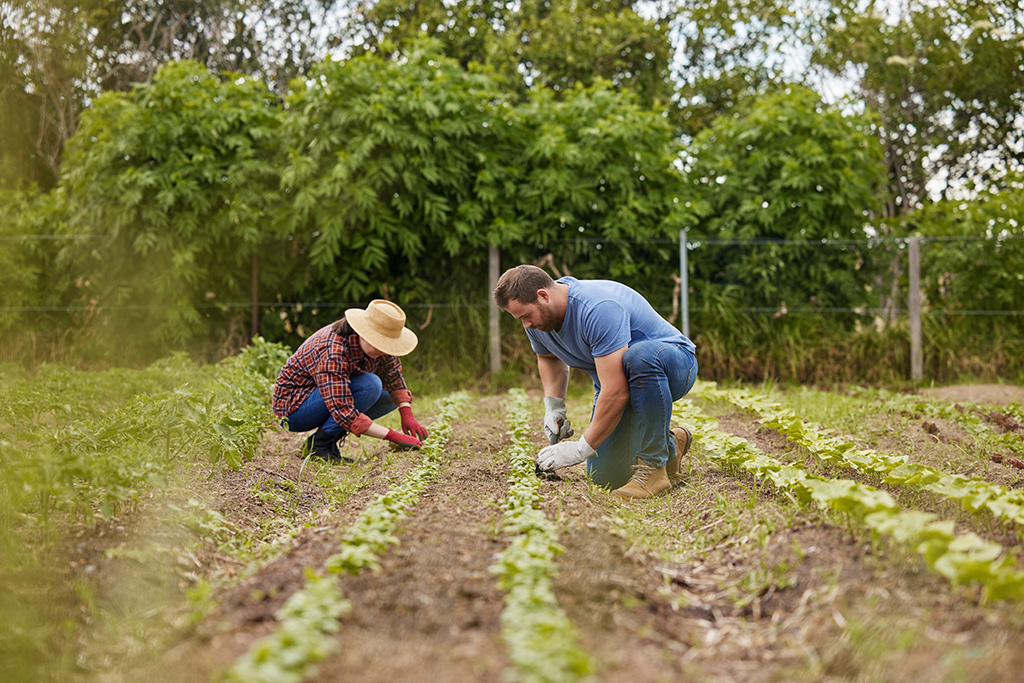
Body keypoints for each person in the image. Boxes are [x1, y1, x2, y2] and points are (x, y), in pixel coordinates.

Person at [493, 265, 698, 499]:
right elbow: (548, 357)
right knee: (605, 478)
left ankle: (653, 469)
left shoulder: (597, 308)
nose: (526, 325)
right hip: (623, 384)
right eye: (520, 319)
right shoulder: (539, 321)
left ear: (543, 296)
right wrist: (554, 407)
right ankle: (673, 444)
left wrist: (581, 448)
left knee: (638, 357)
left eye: (526, 316)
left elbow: (617, 392)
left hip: (672, 365)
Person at [272, 299, 429, 463]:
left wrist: (406, 413)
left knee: (389, 397)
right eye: (379, 343)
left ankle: (329, 439)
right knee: (371, 385)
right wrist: (392, 436)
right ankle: (319, 445)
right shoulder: (333, 349)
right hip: (295, 410)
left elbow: (393, 376)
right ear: (364, 332)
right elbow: (342, 408)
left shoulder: (380, 349)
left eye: (387, 345)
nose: (383, 351)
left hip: (326, 398)